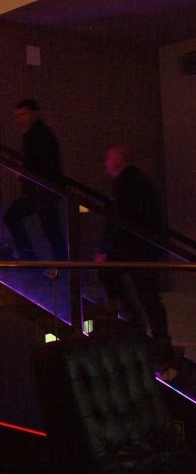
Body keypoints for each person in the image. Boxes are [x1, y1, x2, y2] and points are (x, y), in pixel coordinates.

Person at [94, 144, 174, 364]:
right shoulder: (138, 181)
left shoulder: (125, 185)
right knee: (147, 292)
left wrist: (104, 249)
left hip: (135, 248)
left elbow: (118, 220)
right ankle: (158, 335)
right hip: (142, 247)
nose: (106, 164)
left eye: (109, 159)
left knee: (133, 285)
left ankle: (135, 321)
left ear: (118, 160)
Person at [3, 100, 68, 261]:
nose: (20, 119)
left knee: (15, 217)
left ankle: (30, 258)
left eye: (23, 114)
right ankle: (59, 264)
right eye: (18, 116)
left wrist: (23, 173)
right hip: (44, 190)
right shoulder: (41, 133)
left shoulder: (36, 135)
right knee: (52, 230)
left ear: (34, 113)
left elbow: (40, 163)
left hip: (41, 190)